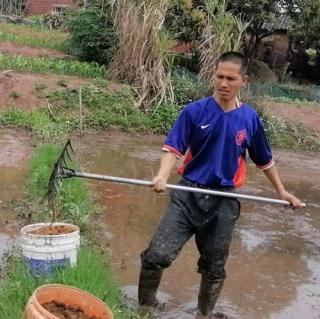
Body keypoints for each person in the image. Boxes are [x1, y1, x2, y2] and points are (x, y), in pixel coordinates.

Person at [138, 51, 303, 318]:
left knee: (214, 265)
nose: (224, 84)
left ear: (244, 81)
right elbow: (173, 148)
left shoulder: (249, 119)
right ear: (213, 76)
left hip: (224, 200)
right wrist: (162, 176)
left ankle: (204, 314)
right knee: (156, 255)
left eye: (231, 78)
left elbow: (265, 161)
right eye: (219, 77)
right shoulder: (194, 111)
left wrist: (282, 191)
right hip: (188, 194)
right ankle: (145, 307)